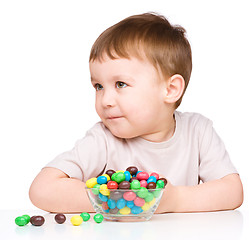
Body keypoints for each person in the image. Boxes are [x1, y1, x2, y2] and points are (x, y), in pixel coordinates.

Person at [29, 12, 243, 213]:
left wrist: (174, 199)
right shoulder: (103, 139)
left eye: (120, 84)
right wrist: (115, 199)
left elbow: (233, 191)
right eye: (98, 86)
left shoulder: (198, 131)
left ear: (170, 90)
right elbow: (42, 189)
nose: (106, 100)